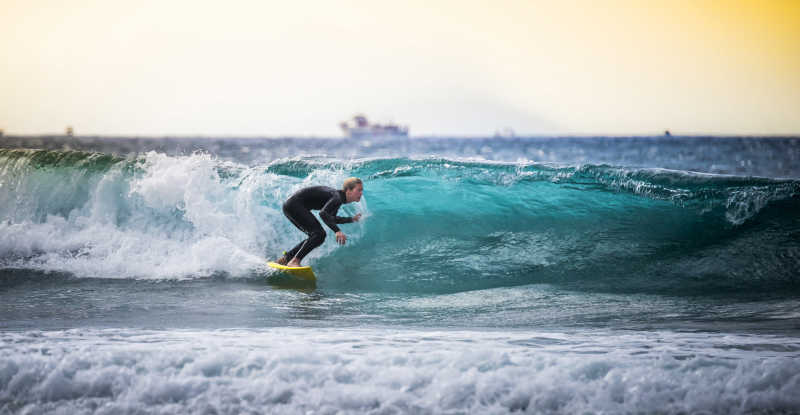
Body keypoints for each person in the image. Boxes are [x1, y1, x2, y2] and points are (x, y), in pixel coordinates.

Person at [275, 177, 363, 267]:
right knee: (319, 234)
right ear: (348, 190)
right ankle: (294, 261)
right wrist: (337, 231)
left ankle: (286, 259)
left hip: (291, 205)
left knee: (317, 236)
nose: (361, 193)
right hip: (294, 204)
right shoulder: (337, 197)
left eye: (362, 190)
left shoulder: (338, 198)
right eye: (359, 190)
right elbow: (323, 213)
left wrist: (351, 219)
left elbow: (331, 218)